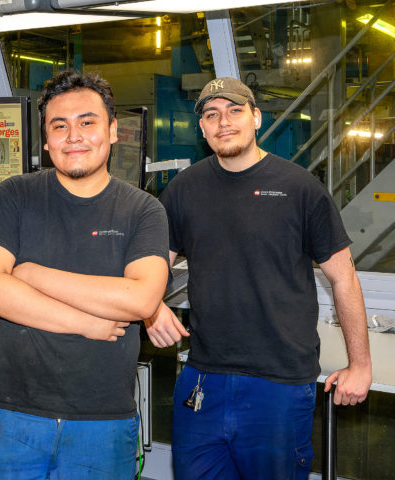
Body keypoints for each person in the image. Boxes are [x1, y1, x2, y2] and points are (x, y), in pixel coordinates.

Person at [146, 77, 372, 480]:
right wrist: (151, 307)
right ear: (202, 128)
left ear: (256, 117)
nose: (223, 122)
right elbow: (151, 270)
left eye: (234, 111)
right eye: (211, 115)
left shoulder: (301, 188)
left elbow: (345, 279)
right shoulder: (184, 189)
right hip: (203, 378)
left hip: (279, 384)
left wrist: (361, 365)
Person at [0, 71, 170, 479]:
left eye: (87, 122)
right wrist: (87, 323)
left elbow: (142, 300)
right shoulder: (14, 196)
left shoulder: (144, 211)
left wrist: (31, 273)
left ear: (113, 131)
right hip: (11, 416)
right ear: (46, 139)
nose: (73, 135)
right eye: (59, 126)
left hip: (103, 424)